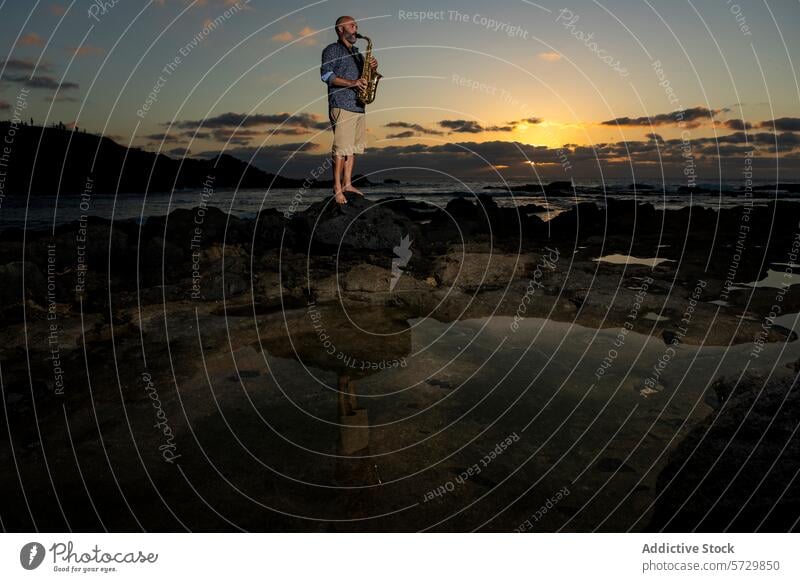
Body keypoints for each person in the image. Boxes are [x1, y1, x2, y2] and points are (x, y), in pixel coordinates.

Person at [320, 15, 378, 205]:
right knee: (340, 150)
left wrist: (371, 68)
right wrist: (352, 83)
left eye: (356, 25)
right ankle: (337, 187)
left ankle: (347, 184)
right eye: (352, 25)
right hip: (341, 103)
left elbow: (365, 79)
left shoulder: (357, 53)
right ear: (340, 29)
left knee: (351, 149)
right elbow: (327, 76)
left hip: (358, 106)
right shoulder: (332, 50)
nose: (356, 28)